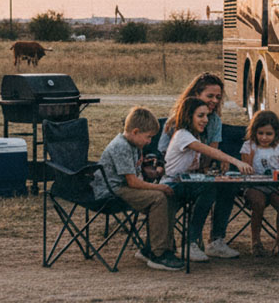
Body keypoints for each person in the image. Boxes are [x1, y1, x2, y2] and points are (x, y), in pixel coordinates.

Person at [91, 106, 185, 271]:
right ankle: (158, 253)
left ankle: (154, 247)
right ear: (135, 132)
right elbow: (132, 183)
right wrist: (160, 187)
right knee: (159, 197)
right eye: (148, 137)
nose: (150, 141)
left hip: (123, 186)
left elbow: (134, 175)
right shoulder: (121, 146)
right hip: (111, 190)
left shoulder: (133, 144)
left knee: (168, 196)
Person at [161, 96, 254, 261]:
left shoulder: (195, 135)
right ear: (188, 116)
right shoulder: (183, 135)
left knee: (227, 186)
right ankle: (190, 243)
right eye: (200, 116)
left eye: (206, 116)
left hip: (186, 183)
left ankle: (216, 240)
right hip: (172, 184)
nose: (205, 120)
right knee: (209, 188)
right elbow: (210, 151)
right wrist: (234, 161)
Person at [240, 110, 279, 257]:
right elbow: (246, 169)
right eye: (260, 133)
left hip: (275, 186)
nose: (264, 137)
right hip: (255, 185)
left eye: (269, 134)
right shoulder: (249, 146)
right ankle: (256, 242)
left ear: (276, 134)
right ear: (254, 131)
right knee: (258, 203)